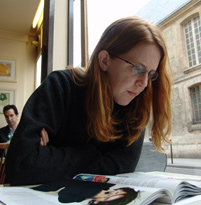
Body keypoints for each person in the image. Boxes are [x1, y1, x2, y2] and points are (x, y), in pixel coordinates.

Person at [5, 16, 172, 186]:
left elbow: (118, 174)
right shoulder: (61, 87)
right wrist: (93, 153)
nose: (144, 83)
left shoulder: (136, 111)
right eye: (138, 68)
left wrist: (50, 154)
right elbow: (20, 166)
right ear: (104, 60)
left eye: (151, 74)